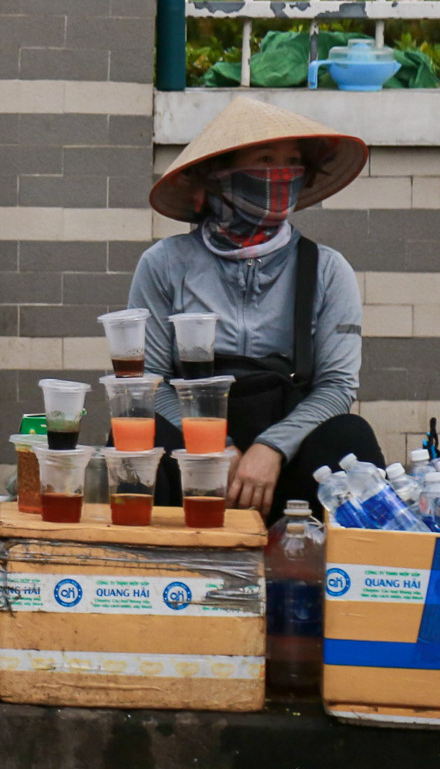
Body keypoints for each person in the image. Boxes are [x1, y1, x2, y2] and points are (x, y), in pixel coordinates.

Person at [130, 95, 383, 522]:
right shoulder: (164, 264)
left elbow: (337, 386)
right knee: (138, 434)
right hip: (191, 456)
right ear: (221, 175)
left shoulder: (327, 270)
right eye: (265, 159)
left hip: (290, 459)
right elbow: (149, 383)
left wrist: (271, 448)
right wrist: (213, 448)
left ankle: (339, 576)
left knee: (349, 437)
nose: (280, 174)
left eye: (291, 161)